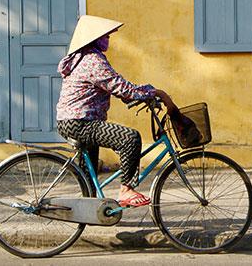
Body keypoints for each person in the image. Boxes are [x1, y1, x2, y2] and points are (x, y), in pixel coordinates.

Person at [56, 15, 176, 207]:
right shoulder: (92, 61)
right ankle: (126, 189)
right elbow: (122, 87)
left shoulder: (84, 59)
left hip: (74, 121)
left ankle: (89, 209)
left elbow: (116, 88)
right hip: (80, 122)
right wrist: (155, 93)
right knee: (130, 138)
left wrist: (141, 94)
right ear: (94, 39)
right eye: (105, 37)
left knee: (89, 172)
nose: (108, 40)